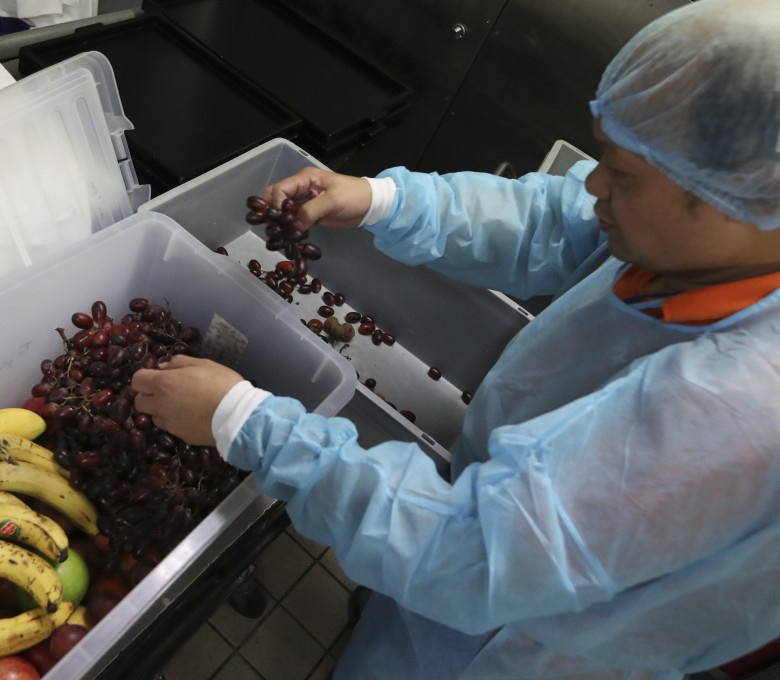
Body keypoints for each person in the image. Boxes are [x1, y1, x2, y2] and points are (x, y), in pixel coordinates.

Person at [132, 0, 780, 677]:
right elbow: (554, 222)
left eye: (622, 172)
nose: (593, 182)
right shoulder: (714, 239)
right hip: (473, 550)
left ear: (736, 203)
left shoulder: (744, 413)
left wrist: (245, 421)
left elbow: (471, 557)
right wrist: (380, 200)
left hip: (517, 647)